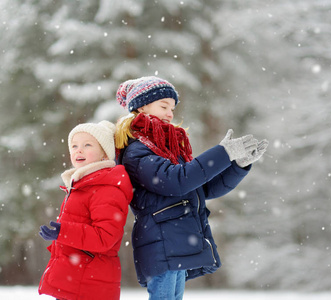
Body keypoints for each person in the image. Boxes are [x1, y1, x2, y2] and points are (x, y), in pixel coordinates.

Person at [114, 76, 268, 300]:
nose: (170, 113)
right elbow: (178, 181)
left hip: (175, 238)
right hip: (162, 239)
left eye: (172, 108)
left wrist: (238, 165)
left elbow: (202, 190)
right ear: (142, 107)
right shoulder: (138, 151)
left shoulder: (168, 149)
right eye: (163, 106)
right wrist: (223, 153)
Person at [38, 120, 133, 300]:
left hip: (89, 282)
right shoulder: (80, 186)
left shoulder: (106, 187)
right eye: (74, 146)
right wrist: (57, 242)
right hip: (76, 279)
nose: (78, 150)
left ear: (105, 154)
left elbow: (105, 237)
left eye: (87, 145)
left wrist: (63, 232)